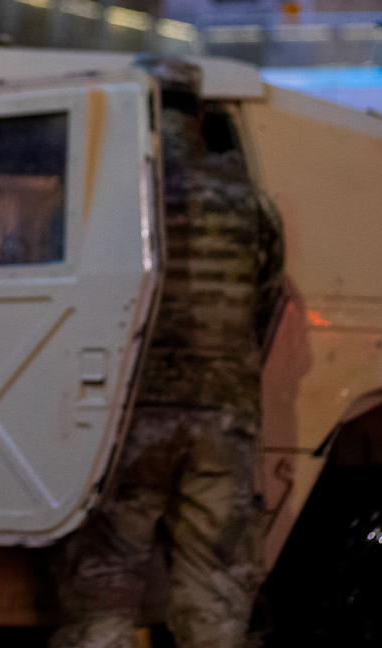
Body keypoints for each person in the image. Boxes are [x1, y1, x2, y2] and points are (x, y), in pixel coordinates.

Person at [50, 62, 284, 648]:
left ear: (141, 107)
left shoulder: (112, 188)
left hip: (129, 417)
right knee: (217, 592)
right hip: (223, 417)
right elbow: (267, 292)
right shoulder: (246, 195)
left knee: (106, 588)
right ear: (199, 114)